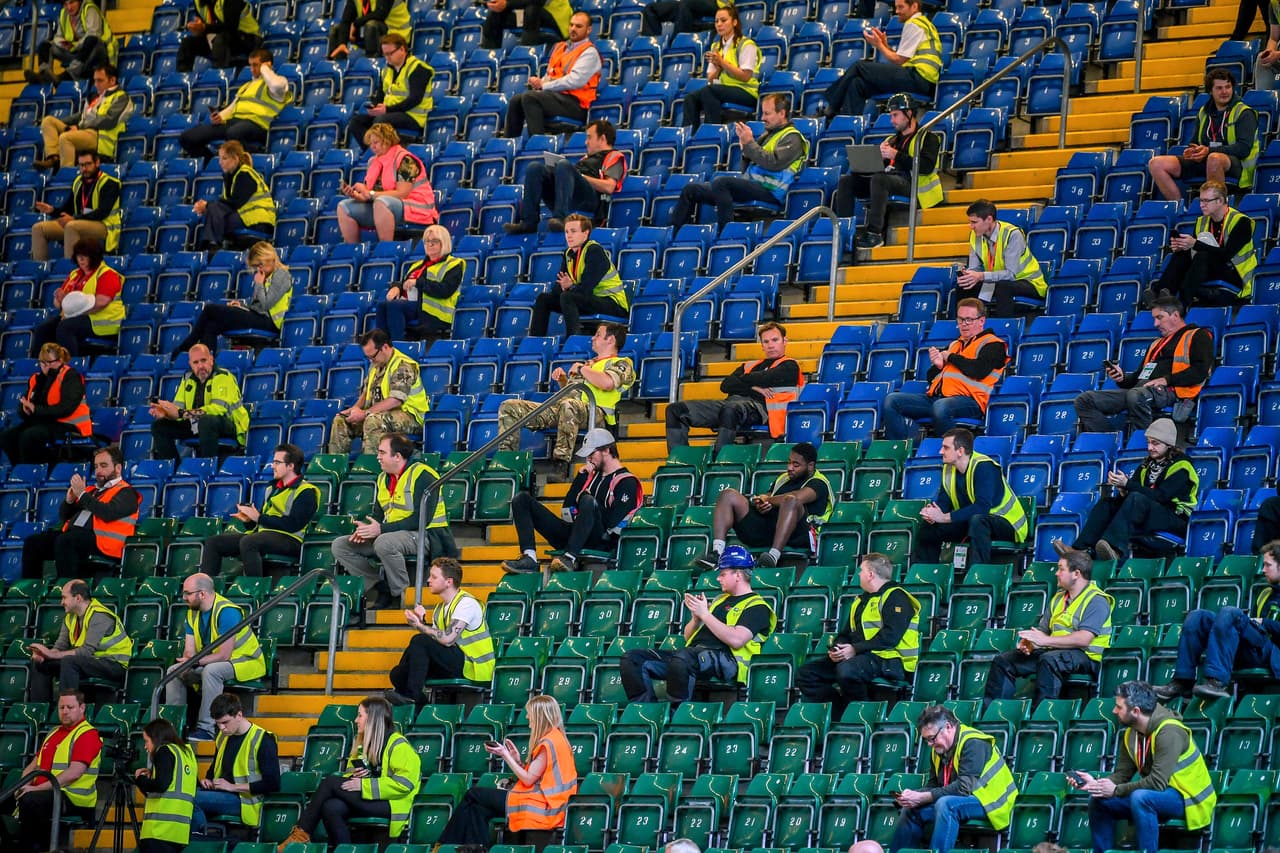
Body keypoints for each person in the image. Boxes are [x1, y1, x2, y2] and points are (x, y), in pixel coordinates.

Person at [619, 546, 776, 705]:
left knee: (683, 659)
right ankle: (644, 711)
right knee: (632, 659)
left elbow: (737, 639)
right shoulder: (720, 600)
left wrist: (706, 615)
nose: (718, 578)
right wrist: (696, 618)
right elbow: (688, 637)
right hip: (695, 654)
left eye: (722, 574)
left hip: (726, 659)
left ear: (738, 575)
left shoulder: (757, 606)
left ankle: (677, 714)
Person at [1073, 681, 1217, 853]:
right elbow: (1122, 775)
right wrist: (1096, 785)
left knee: (1141, 797)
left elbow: (1157, 783)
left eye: (1119, 707)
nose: (1114, 711)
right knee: (1098, 800)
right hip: (1159, 795)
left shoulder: (1169, 732)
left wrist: (1116, 790)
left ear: (1135, 711)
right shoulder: (1131, 733)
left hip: (1188, 798)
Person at [331, 433, 458, 610]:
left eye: (382, 452)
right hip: (393, 533)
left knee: (384, 542)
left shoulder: (423, 474)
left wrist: (380, 530)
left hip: (428, 535)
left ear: (397, 456)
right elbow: (378, 514)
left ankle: (401, 595)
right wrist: (366, 530)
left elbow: (420, 520)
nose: (378, 457)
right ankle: (379, 586)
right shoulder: (383, 478)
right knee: (340, 545)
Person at [277, 696, 422, 849]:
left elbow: (404, 784)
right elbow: (348, 778)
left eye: (360, 715)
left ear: (373, 719)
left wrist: (364, 784)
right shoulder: (362, 743)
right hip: (371, 797)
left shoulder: (399, 745)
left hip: (394, 804)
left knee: (331, 782)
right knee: (331, 807)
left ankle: (301, 834)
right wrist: (356, 777)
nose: (355, 720)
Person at [498, 322, 635, 481]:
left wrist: (581, 369)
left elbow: (607, 383)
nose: (592, 338)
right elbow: (572, 393)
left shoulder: (621, 363)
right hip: (568, 408)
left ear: (610, 340)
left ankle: (561, 464)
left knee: (568, 406)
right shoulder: (589, 364)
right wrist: (563, 381)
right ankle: (507, 461)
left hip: (597, 413)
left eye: (597, 334)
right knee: (509, 406)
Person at [437, 694, 577, 844]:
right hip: (547, 803)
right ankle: (474, 848)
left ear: (539, 716)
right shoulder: (556, 738)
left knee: (473, 794)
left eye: (530, 713)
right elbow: (537, 776)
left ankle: (444, 844)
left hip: (542, 805)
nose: (528, 717)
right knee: (477, 810)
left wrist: (506, 756)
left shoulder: (549, 742)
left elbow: (528, 779)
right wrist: (517, 760)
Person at [501, 428, 643, 574]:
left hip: (600, 540)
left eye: (591, 454)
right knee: (521, 499)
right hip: (575, 533)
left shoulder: (627, 482)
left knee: (588, 501)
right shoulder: (589, 476)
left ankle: (570, 557)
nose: (588, 459)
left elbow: (611, 521)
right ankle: (529, 557)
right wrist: (580, 480)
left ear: (606, 450)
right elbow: (566, 509)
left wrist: (586, 502)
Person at [983, 548, 1113, 708]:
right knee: (1004, 661)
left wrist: (1045, 640)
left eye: (1061, 569)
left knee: (1049, 660)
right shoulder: (1058, 597)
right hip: (1056, 652)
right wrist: (1031, 643)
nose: (1056, 573)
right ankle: (995, 713)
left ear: (1076, 574)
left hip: (1087, 657)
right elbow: (1044, 632)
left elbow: (1084, 639)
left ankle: (1042, 718)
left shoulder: (1097, 600)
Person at [1155, 539, 1280, 701]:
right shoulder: (1265, 593)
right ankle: (1183, 681)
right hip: (1255, 649)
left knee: (1230, 613)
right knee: (1198, 617)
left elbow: (1265, 627)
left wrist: (1265, 622)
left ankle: (1217, 682)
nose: (1263, 570)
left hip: (1273, 654)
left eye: (1268, 565)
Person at [796, 552, 921, 714]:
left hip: (893, 660)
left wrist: (855, 649)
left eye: (861, 571)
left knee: (847, 670)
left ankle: (861, 714)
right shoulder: (861, 601)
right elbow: (847, 633)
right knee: (806, 674)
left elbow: (890, 637)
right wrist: (838, 649)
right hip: (865, 656)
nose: (859, 575)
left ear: (870, 574)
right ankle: (839, 712)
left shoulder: (897, 597)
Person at [1073, 296, 1213, 434]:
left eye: (1159, 317)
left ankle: (1140, 443)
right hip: (1142, 390)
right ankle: (1109, 440)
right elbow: (1138, 377)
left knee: (1136, 395)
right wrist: (1122, 379)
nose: (1155, 324)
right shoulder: (1156, 344)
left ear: (1175, 315)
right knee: (1084, 400)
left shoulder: (1197, 335)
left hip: (1172, 391)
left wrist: (1166, 380)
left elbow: (1200, 371)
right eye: (1154, 319)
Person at [1067, 418, 1199, 563]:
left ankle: (1115, 549)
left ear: (1169, 445)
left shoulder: (1182, 466)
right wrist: (1123, 490)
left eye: (1155, 443)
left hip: (1175, 517)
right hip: (1148, 512)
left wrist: (1128, 484)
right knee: (1108, 503)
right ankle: (1081, 551)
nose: (1150, 447)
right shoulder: (1147, 464)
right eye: (1148, 442)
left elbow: (1161, 496)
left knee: (1137, 498)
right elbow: (1135, 490)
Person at [889, 705, 1018, 853]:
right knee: (911, 810)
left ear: (948, 727)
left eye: (932, 738)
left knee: (946, 804)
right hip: (965, 801)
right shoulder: (939, 749)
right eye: (926, 740)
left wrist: (923, 797)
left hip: (994, 802)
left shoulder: (973, 742)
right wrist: (912, 797)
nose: (930, 744)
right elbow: (935, 785)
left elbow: (963, 788)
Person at [671, 93, 808, 230]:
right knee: (691, 190)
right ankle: (673, 237)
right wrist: (745, 150)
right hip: (754, 186)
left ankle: (726, 232)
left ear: (782, 113)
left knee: (722, 183)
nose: (762, 118)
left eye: (767, 113)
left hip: (771, 192)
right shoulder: (768, 135)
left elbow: (774, 163)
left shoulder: (793, 138)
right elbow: (747, 169)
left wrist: (749, 144)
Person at [666, 321, 804, 456]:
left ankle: (719, 458)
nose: (770, 345)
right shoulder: (749, 365)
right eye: (766, 342)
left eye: (775, 340)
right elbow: (726, 385)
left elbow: (764, 378)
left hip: (761, 410)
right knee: (675, 410)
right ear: (761, 345)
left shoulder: (789, 366)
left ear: (785, 341)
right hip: (732, 403)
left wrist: (745, 380)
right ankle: (679, 459)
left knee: (730, 409)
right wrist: (755, 387)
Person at [883, 299, 1009, 440]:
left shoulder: (993, 344)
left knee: (941, 407)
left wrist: (950, 357)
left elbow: (978, 370)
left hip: (971, 401)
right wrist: (938, 366)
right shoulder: (955, 344)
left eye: (969, 320)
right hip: (939, 399)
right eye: (961, 319)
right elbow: (932, 378)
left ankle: (950, 452)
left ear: (981, 321)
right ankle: (900, 449)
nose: (964, 324)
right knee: (892, 401)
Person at [696, 441, 832, 569]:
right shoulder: (784, 478)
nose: (789, 468)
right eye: (789, 462)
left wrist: (769, 500)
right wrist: (761, 501)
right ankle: (717, 553)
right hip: (769, 528)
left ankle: (773, 555)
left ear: (810, 466)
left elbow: (795, 498)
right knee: (728, 494)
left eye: (796, 465)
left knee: (791, 500)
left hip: (798, 535)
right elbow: (768, 495)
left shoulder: (819, 483)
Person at [166, 572, 268, 741]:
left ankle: (206, 729)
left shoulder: (227, 612)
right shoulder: (192, 613)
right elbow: (189, 650)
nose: (184, 597)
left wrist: (195, 661)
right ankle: (172, 728)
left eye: (187, 593)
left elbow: (224, 654)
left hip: (246, 661)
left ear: (202, 594)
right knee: (174, 671)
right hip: (215, 661)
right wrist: (188, 662)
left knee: (212, 671)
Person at [834, 93, 942, 253]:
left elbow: (925, 166)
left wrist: (895, 155)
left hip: (915, 187)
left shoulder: (928, 138)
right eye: (891, 115)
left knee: (880, 180)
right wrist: (867, 164)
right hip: (889, 181)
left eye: (895, 115)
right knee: (846, 181)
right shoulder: (891, 140)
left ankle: (874, 234)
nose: (892, 120)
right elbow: (880, 168)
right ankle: (843, 233)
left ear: (909, 113)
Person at [385, 557, 495, 706]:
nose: (428, 580)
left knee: (419, 640)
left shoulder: (466, 603)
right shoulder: (439, 609)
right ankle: (419, 703)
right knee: (398, 674)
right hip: (454, 660)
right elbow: (436, 640)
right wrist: (422, 622)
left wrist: (420, 626)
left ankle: (414, 698)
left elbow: (448, 639)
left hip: (473, 665)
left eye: (434, 577)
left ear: (448, 582)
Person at [1, 690, 100, 853]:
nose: (65, 711)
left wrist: (35, 789)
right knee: (5, 798)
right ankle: (9, 845)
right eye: (61, 707)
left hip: (73, 798)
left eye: (70, 707)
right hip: (43, 793)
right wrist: (21, 786)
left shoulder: (88, 734)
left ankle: (33, 847)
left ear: (82, 708)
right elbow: (33, 766)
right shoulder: (53, 732)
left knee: (31, 800)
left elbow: (74, 773)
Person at [200, 443, 320, 577]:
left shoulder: (306, 491)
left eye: (277, 463)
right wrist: (249, 521)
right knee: (213, 542)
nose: (272, 466)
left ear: (290, 466)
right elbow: (264, 522)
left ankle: (254, 589)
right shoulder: (272, 489)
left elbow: (293, 524)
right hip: (266, 536)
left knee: (249, 542)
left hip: (291, 539)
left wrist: (258, 517)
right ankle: (205, 588)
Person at [912, 427, 1028, 566]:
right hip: (973, 522)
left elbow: (982, 507)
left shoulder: (984, 467)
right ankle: (924, 576)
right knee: (929, 528)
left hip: (1009, 524)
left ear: (960, 451)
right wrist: (933, 514)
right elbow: (943, 503)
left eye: (945, 448)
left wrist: (944, 517)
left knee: (978, 520)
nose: (940, 451)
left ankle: (976, 576)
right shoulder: (949, 469)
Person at [21, 445, 140, 579]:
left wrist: (82, 495)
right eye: (96, 466)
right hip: (76, 536)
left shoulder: (127, 492)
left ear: (118, 468)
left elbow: (108, 513)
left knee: (66, 541)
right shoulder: (91, 491)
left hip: (104, 543)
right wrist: (69, 501)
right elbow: (64, 517)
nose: (98, 471)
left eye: (103, 465)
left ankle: (67, 588)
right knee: (33, 542)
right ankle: (31, 590)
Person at [1148, 69, 1258, 201]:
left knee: (1214, 158)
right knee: (1156, 163)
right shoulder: (1204, 112)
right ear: (1210, 91)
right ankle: (1179, 209)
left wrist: (1209, 150)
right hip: (1206, 158)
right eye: (1219, 88)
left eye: (1228, 87)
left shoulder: (1244, 112)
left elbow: (1243, 149)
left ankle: (1217, 210)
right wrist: (1193, 151)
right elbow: (1195, 140)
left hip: (1236, 164)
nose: (1224, 91)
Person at [821, 0, 941, 118]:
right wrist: (885, 45)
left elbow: (898, 60)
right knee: (857, 84)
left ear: (914, 6)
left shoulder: (913, 24)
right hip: (922, 81)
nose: (897, 11)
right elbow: (903, 58)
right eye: (896, 7)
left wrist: (879, 46)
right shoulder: (924, 24)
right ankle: (849, 123)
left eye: (901, 7)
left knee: (859, 66)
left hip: (918, 78)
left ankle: (831, 108)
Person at [504, 118, 627, 233]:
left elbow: (609, 187)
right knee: (535, 168)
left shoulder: (614, 156)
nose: (586, 142)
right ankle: (529, 222)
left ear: (602, 139)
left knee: (564, 165)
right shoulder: (586, 158)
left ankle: (560, 218)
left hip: (592, 200)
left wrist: (581, 177)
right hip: (568, 193)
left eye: (589, 138)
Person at [1151, 180, 1257, 308]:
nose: (1202, 205)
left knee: (1202, 256)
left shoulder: (1241, 222)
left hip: (1235, 274)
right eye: (1201, 200)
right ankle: (1162, 295)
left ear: (1220, 201)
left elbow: (1226, 254)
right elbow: (1196, 249)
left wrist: (1195, 244)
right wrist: (1182, 245)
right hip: (1209, 268)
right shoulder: (1202, 221)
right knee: (1183, 254)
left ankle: (1182, 304)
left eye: (1206, 201)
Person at [175, 241, 292, 354]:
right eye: (256, 266)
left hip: (270, 323)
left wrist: (259, 284)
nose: (258, 269)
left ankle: (188, 344)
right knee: (212, 326)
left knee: (210, 309)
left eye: (260, 264)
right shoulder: (266, 276)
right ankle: (209, 361)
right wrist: (242, 307)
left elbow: (267, 304)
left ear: (269, 258)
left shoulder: (281, 275)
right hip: (260, 317)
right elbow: (258, 306)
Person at [327, 329, 430, 456]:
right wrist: (354, 409)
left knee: (372, 421)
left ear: (385, 347)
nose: (371, 361)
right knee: (341, 420)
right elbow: (366, 393)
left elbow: (395, 400)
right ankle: (337, 467)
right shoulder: (376, 364)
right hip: (380, 414)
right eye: (368, 357)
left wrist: (365, 413)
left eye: (373, 356)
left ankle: (371, 468)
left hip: (411, 417)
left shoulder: (403, 365)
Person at [28, 579, 132, 704]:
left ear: (78, 598)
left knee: (69, 661)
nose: (62, 603)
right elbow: (60, 646)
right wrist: (45, 655)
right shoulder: (70, 617)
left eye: (64, 598)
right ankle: (40, 709)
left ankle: (68, 707)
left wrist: (52, 654)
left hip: (113, 664)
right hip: (90, 662)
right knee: (41, 663)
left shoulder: (99, 615)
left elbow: (86, 652)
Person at [179, 49, 292, 163]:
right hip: (234, 124)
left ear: (268, 65)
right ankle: (210, 161)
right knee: (187, 138)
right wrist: (220, 116)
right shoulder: (247, 86)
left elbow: (275, 85)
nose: (252, 70)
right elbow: (232, 107)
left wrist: (265, 69)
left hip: (258, 126)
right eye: (250, 65)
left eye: (256, 65)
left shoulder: (280, 82)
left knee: (233, 133)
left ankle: (255, 153)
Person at [192, 693, 282, 835]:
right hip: (222, 793)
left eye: (225, 722)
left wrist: (233, 787)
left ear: (239, 715)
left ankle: (205, 837)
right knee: (182, 794)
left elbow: (273, 784)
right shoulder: (223, 736)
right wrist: (208, 780)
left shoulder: (263, 739)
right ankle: (204, 836)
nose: (221, 727)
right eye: (217, 723)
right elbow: (215, 767)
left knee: (190, 798)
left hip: (246, 801)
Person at [530, 214, 630, 338]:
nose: (569, 235)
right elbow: (557, 289)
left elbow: (585, 289)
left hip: (612, 304)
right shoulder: (568, 254)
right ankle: (535, 340)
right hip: (587, 300)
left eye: (573, 231)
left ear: (585, 233)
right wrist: (564, 287)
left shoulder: (594, 251)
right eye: (566, 232)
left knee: (568, 297)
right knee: (543, 298)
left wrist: (569, 286)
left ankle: (572, 339)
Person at [504, 12, 601, 138]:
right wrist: (539, 83)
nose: (573, 29)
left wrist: (545, 86)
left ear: (589, 30)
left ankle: (537, 145)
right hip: (555, 98)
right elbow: (551, 74)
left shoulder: (589, 53)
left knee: (530, 97)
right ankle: (510, 143)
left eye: (578, 26)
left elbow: (574, 81)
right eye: (571, 25)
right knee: (516, 100)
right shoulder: (560, 47)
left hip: (577, 104)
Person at [339, 123, 437, 244]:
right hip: (383, 207)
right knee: (344, 206)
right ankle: (353, 250)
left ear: (387, 140)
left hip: (417, 207)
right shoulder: (373, 162)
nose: (372, 147)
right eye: (371, 143)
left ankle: (386, 249)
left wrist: (369, 193)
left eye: (376, 142)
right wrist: (356, 195)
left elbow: (402, 193)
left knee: (382, 202)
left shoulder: (405, 159)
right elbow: (369, 195)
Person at [149, 344, 249, 460]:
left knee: (206, 420)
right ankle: (174, 469)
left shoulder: (223, 376)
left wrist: (182, 413)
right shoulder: (187, 379)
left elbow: (218, 409)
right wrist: (167, 414)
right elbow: (178, 410)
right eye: (196, 362)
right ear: (190, 364)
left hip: (228, 423)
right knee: (159, 426)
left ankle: (207, 467)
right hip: (198, 424)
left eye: (203, 360)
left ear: (211, 360)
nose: (200, 366)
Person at [30, 237, 125, 356]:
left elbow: (101, 302)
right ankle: (40, 367)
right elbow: (59, 303)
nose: (80, 259)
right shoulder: (75, 274)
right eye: (78, 255)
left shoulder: (107, 274)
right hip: (76, 316)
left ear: (94, 256)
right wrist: (59, 299)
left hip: (103, 319)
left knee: (66, 327)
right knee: (43, 330)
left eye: (85, 256)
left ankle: (70, 367)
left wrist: (74, 312)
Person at [1, 343, 91, 465]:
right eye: (42, 363)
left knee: (29, 437)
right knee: (7, 437)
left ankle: (34, 470)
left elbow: (66, 408)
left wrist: (37, 410)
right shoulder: (36, 379)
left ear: (60, 361)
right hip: (44, 422)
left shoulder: (70, 376)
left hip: (68, 424)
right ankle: (19, 470)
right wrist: (24, 410)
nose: (45, 367)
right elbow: (27, 403)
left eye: (49, 363)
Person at [957, 199, 1047, 317]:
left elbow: (1011, 275)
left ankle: (1003, 327)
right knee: (964, 286)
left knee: (1004, 286)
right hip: (998, 280)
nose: (971, 226)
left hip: (1029, 282)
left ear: (989, 219)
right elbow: (975, 268)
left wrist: (981, 276)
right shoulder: (975, 236)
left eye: (974, 222)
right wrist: (968, 275)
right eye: (970, 222)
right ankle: (962, 327)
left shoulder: (1012, 234)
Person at [375, 225, 464, 342]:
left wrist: (418, 282)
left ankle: (397, 347)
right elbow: (405, 282)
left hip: (434, 311)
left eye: (434, 241)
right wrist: (396, 287)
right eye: (427, 241)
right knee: (382, 305)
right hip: (413, 306)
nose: (429, 244)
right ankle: (382, 346)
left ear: (444, 243)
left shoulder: (454, 264)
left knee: (394, 305)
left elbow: (445, 290)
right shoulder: (417, 265)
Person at [37, 62, 131, 170]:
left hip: (99, 138)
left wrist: (79, 127)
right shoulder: (96, 98)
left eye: (100, 80)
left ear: (112, 80)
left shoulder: (121, 97)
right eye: (95, 80)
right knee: (48, 121)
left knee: (65, 138)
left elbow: (109, 120)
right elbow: (82, 115)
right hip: (84, 132)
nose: (96, 84)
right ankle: (54, 158)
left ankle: (66, 175)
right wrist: (64, 124)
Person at [31, 149, 121, 260]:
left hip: (104, 225)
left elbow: (102, 213)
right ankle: (41, 270)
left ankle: (72, 272)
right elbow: (68, 208)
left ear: (97, 163)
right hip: (79, 222)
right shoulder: (78, 182)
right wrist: (53, 210)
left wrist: (74, 218)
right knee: (39, 228)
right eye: (81, 165)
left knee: (71, 226)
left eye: (88, 164)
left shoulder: (110, 183)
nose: (84, 169)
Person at [347, 34, 434, 145]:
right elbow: (381, 95)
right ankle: (374, 151)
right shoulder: (386, 70)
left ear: (402, 49)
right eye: (385, 54)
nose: (387, 58)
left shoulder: (418, 68)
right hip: (391, 112)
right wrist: (375, 107)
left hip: (414, 116)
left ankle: (384, 152)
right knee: (356, 122)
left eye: (390, 53)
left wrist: (387, 110)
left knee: (381, 121)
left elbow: (414, 99)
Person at [681, 7, 759, 130]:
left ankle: (712, 132)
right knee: (690, 99)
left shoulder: (746, 45)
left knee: (709, 91)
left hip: (747, 92)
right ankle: (689, 136)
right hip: (723, 91)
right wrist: (718, 69)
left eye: (723, 20)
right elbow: (711, 80)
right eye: (716, 21)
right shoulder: (716, 47)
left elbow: (745, 76)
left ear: (734, 22)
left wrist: (722, 63)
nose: (719, 24)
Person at [195, 140, 276, 251]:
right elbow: (226, 203)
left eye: (224, 158)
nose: (220, 162)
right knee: (213, 211)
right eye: (219, 158)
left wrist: (208, 205)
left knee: (213, 210)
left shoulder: (245, 174)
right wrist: (209, 206)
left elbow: (235, 203)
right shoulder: (231, 176)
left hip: (259, 221)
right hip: (247, 218)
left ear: (235, 159)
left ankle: (210, 248)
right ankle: (210, 246)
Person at [132, 718, 198, 853]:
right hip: (179, 832)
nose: (145, 747)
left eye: (146, 741)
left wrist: (140, 780)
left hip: (159, 830)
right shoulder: (187, 753)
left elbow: (161, 785)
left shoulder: (164, 751)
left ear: (156, 738)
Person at [25, 0, 114, 84]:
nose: (69, 7)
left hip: (97, 51)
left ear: (79, 1)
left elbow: (94, 33)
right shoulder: (64, 13)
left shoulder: (90, 9)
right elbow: (58, 36)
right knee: (45, 45)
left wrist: (76, 45)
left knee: (91, 40)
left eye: (72, 2)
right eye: (66, 4)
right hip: (75, 51)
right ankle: (44, 75)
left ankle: (67, 75)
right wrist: (63, 44)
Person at [176, 0, 262, 72]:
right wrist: (198, 29)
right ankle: (182, 77)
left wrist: (205, 27)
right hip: (219, 37)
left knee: (221, 39)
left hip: (249, 38)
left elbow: (230, 26)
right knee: (187, 43)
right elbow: (205, 26)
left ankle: (220, 74)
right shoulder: (198, 1)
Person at [327, 0, 410, 60]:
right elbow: (346, 21)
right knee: (336, 30)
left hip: (397, 33)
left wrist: (355, 24)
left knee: (371, 25)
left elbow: (380, 14)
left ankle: (372, 61)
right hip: (374, 33)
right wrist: (342, 43)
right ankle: (338, 64)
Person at [481, 0, 570, 51]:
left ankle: (527, 53)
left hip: (556, 17)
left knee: (532, 10)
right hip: (529, 16)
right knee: (494, 14)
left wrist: (507, 4)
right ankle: (490, 57)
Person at [1256, 11, 1279, 92]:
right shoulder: (1274, 4)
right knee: (1261, 59)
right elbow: (1274, 38)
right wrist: (1269, 53)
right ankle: (1263, 100)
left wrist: (1278, 55)